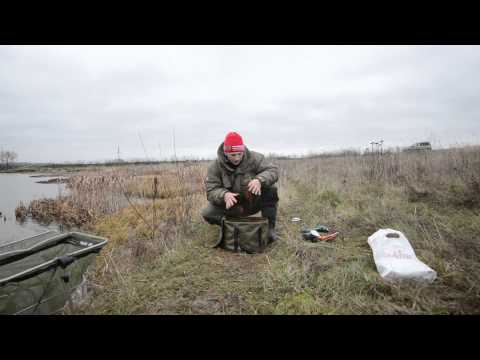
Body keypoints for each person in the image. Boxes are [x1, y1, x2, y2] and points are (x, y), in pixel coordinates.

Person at [201, 131, 280, 242]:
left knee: (271, 190)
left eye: (239, 154)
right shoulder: (215, 167)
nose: (237, 158)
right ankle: (231, 227)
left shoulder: (255, 158)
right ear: (225, 153)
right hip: (233, 207)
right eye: (233, 155)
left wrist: (259, 180)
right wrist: (224, 195)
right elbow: (211, 190)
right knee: (207, 213)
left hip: (253, 202)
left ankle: (270, 230)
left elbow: (273, 171)